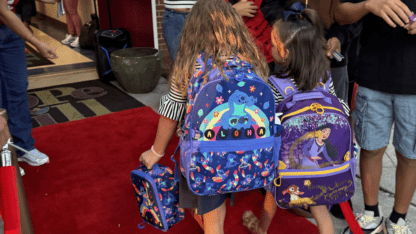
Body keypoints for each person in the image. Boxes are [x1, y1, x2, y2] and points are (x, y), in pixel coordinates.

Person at [139, 0, 269, 233]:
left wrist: (156, 152)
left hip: (208, 158)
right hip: (248, 154)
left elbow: (172, 110)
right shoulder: (251, 61)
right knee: (221, 197)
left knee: (213, 217)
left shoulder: (191, 64)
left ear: (193, 29)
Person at [241, 9, 350, 234]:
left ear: (285, 52)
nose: (270, 48)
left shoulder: (275, 85)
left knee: (272, 195)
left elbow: (267, 124)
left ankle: (261, 229)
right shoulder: (324, 79)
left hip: (286, 165)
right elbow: (337, 106)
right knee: (321, 211)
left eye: (272, 44)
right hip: (317, 163)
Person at [333, 0, 416, 233]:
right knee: (370, 148)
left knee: (410, 154)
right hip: (372, 77)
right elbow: (340, 13)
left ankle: (399, 219)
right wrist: (370, 5)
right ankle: (371, 214)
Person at [0, 0, 57, 172]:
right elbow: (2, 10)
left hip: (11, 31)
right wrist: (36, 42)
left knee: (17, 89)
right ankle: (4, 155)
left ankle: (22, 146)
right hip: (7, 20)